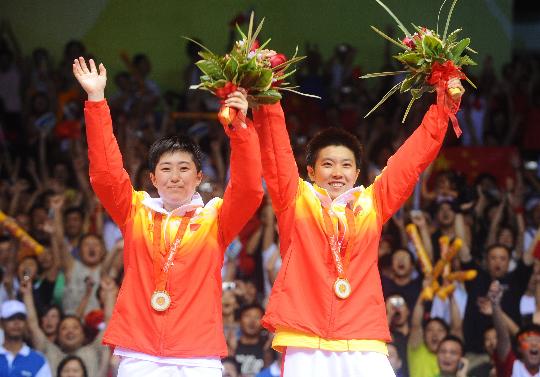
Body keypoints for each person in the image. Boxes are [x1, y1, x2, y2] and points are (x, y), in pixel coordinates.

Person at [252, 73, 465, 376]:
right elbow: (276, 151)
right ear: (311, 171)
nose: (337, 172)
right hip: (305, 336)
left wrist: (443, 107)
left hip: (364, 335)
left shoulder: (373, 203)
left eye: (346, 165)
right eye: (327, 164)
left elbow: (412, 160)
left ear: (356, 172)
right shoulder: (295, 200)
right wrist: (267, 96)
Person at [72, 57, 263, 376]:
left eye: (184, 168)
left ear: (199, 176)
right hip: (140, 353)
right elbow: (106, 174)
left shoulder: (215, 219)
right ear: (153, 178)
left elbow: (248, 191)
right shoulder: (135, 210)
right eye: (166, 169)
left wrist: (240, 128)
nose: (175, 176)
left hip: (199, 355)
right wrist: (96, 100)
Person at [0, 300, 51, 377]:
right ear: (1, 323)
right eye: (11, 319)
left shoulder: (38, 361)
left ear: (26, 323)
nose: (16, 323)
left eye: (20, 319)